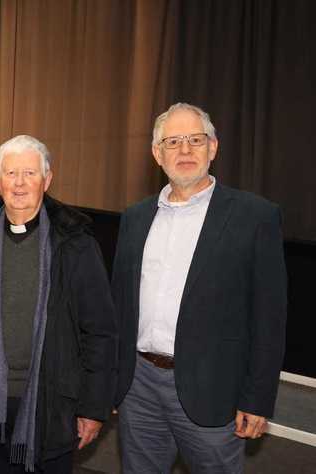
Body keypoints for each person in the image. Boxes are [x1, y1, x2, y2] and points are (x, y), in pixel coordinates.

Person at [112, 103, 287, 473]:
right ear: (157, 154)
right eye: (173, 142)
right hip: (138, 387)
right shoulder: (135, 217)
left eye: (195, 139)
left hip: (214, 390)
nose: (186, 150)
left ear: (213, 147)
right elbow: (120, 307)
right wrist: (112, 382)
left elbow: (270, 317)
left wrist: (257, 399)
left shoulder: (255, 217)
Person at [0, 135, 117, 473]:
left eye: (29, 173)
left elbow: (100, 331)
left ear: (48, 179)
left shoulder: (75, 243)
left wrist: (93, 407)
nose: (19, 183)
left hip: (53, 401)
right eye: (10, 174)